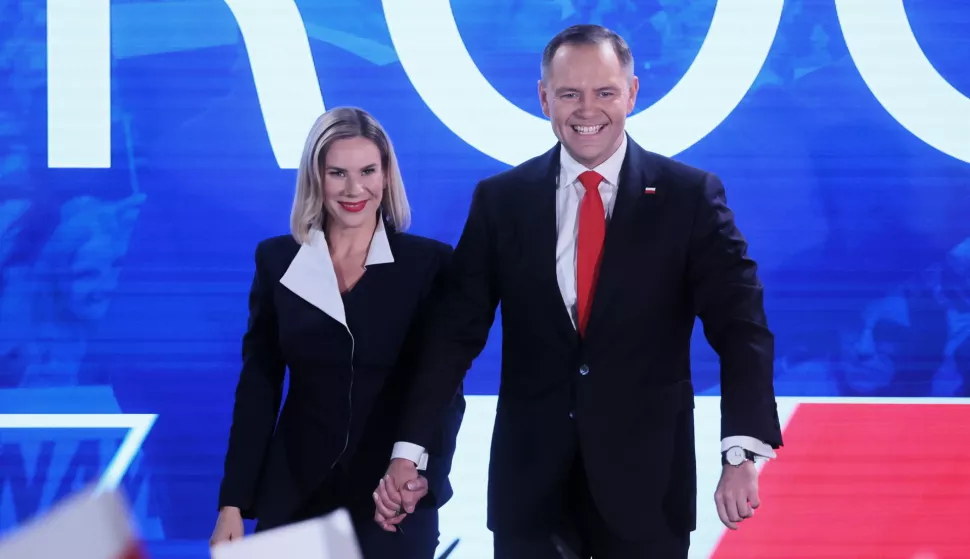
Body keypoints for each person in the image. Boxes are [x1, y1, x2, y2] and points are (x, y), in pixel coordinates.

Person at [372, 25, 784, 558]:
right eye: (569, 93)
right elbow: (453, 337)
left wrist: (741, 454)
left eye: (604, 92)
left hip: (646, 489)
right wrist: (410, 452)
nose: (587, 109)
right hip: (530, 493)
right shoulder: (501, 202)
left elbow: (741, 326)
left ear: (632, 93)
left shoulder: (689, 198)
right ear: (544, 98)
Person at [210, 106, 464, 557]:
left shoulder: (428, 264)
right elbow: (258, 388)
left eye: (367, 171)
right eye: (337, 173)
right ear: (315, 177)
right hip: (296, 495)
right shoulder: (277, 261)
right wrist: (233, 502)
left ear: (386, 176)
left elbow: (442, 388)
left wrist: (421, 475)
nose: (353, 189)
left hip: (390, 498)